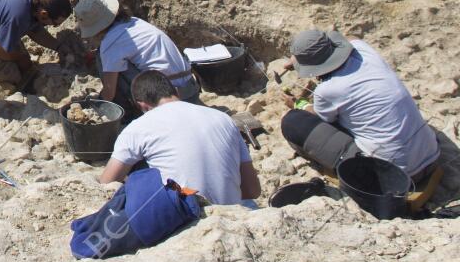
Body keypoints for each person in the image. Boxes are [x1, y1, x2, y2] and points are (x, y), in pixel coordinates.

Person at [280, 28, 440, 183]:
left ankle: (348, 174)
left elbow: (318, 118)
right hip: (432, 154)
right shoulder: (365, 52)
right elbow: (350, 39)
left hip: (397, 177)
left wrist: (299, 104)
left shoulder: (327, 90)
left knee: (293, 122)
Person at [100, 71, 261, 207]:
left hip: (185, 213)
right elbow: (252, 190)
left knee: (138, 172)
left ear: (141, 105)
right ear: (176, 91)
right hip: (233, 211)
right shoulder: (224, 119)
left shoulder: (137, 128)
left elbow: (107, 183)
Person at [73, 0, 199, 119]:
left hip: (166, 103)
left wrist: (97, 104)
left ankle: (126, 114)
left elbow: (109, 93)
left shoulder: (110, 43)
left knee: (103, 58)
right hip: (190, 92)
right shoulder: (134, 22)